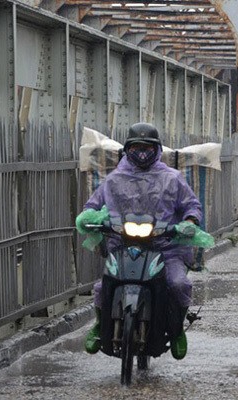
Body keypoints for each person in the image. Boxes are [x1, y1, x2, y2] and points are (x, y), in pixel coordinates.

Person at [76, 122, 203, 360]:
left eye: (147, 147)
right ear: (128, 149)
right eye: (137, 147)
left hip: (165, 248)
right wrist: (88, 218)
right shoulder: (114, 179)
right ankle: (98, 324)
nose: (142, 152)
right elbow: (92, 205)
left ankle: (176, 331)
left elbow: (191, 206)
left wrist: (190, 221)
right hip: (123, 245)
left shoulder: (172, 178)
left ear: (156, 149)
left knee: (178, 284)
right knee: (103, 287)